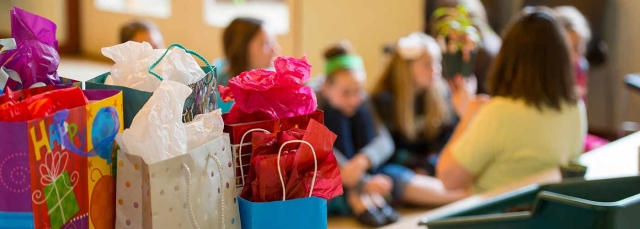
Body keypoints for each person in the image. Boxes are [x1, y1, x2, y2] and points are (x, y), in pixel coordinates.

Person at [436, 7, 587, 194]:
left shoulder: (498, 114)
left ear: (507, 58)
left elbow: (448, 178)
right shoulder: (575, 108)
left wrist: (468, 118)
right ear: (563, 57)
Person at [321, 41, 466, 227]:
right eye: (346, 93)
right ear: (326, 87)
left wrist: (364, 160)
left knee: (361, 114)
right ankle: (358, 196)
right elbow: (325, 152)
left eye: (358, 91)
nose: (354, 99)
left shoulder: (362, 103)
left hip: (366, 170)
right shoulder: (317, 102)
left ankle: (365, 193)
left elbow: (384, 141)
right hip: (341, 176)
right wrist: (363, 182)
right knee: (335, 116)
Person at [372, 32, 458, 176]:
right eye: (427, 64)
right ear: (406, 67)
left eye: (437, 62)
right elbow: (390, 149)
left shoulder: (441, 93)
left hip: (434, 167)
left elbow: (449, 136)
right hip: (402, 170)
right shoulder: (385, 100)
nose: (435, 69)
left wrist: (431, 165)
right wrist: (418, 167)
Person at [555, 6, 609, 152]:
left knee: (607, 149)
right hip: (556, 135)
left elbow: (579, 117)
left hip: (574, 132)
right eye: (569, 48)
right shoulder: (548, 72)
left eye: (579, 48)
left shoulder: (580, 66)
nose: (574, 55)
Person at [214, 17, 281, 112]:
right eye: (266, 43)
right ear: (242, 48)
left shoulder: (274, 79)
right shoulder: (220, 94)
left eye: (273, 42)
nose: (275, 50)